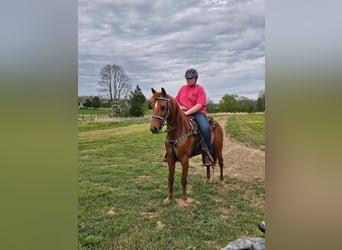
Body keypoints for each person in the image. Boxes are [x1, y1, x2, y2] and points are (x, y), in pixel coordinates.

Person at [163, 68, 213, 166]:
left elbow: (199, 105)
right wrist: (180, 107)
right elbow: (176, 101)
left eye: (191, 78)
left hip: (198, 113)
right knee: (172, 127)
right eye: (187, 79)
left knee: (205, 128)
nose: (189, 80)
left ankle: (207, 153)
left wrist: (187, 113)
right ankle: (169, 152)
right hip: (184, 113)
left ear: (196, 79)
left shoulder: (200, 89)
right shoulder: (182, 89)